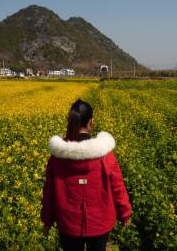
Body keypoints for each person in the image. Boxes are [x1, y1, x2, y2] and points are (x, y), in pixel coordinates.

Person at [41, 99, 132, 251]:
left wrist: (47, 220)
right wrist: (125, 214)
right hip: (100, 223)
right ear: (91, 122)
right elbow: (117, 187)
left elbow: (49, 191)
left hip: (68, 224)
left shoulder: (57, 157)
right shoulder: (105, 154)